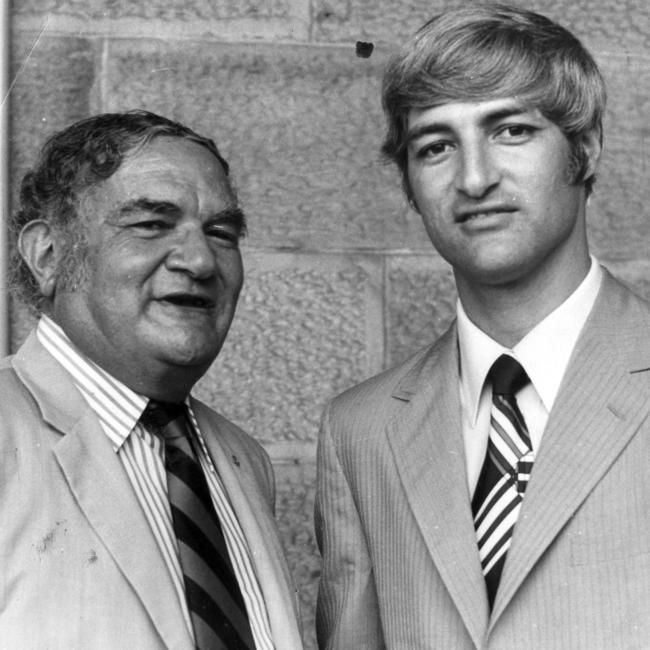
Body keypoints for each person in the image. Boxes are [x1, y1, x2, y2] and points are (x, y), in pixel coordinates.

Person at [315, 4, 650, 648]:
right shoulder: (359, 432)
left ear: (584, 147)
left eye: (511, 131)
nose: (474, 178)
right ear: (410, 183)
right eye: (436, 146)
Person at [1, 110, 303, 649]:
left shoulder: (241, 460)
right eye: (150, 224)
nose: (200, 259)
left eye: (222, 232)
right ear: (48, 255)